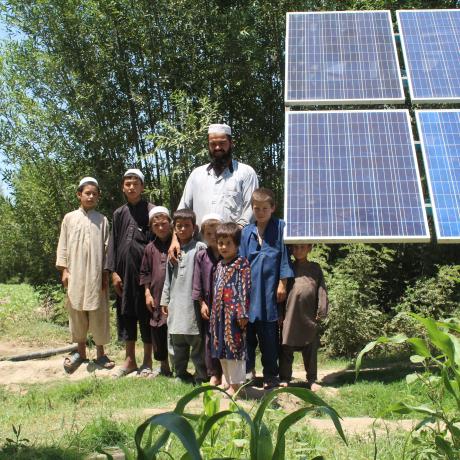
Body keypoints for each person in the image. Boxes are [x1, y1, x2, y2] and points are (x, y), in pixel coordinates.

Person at [56, 177, 114, 373]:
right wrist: (64, 269)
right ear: (79, 195)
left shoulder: (103, 220)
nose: (90, 196)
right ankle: (80, 353)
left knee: (99, 312)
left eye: (94, 194)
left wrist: (106, 272)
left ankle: (100, 354)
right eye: (87, 193)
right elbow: (63, 244)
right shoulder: (69, 218)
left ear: (98, 197)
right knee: (77, 312)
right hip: (75, 273)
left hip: (97, 275)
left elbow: (108, 248)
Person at [239, 187, 294, 389]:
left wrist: (283, 282)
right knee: (248, 336)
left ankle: (271, 375)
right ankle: (248, 372)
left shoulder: (280, 227)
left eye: (264, 208)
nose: (260, 212)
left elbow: (285, 258)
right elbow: (241, 263)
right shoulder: (247, 232)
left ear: (273, 208)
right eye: (256, 208)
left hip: (270, 293)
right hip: (250, 293)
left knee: (269, 337)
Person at [105, 169, 154, 378]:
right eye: (127, 183)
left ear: (142, 187)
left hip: (145, 275)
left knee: (147, 316)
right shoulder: (118, 213)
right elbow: (113, 244)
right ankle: (129, 360)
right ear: (123, 187)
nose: (131, 187)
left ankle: (148, 361)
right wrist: (113, 273)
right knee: (126, 316)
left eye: (135, 183)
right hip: (123, 275)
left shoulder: (152, 211)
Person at [160, 209, 207, 383]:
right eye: (178, 226)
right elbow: (168, 277)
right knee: (176, 339)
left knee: (196, 341)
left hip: (193, 303)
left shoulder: (200, 248)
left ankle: (201, 374)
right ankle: (180, 373)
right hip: (175, 302)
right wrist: (165, 300)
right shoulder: (173, 250)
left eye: (187, 226)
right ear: (174, 227)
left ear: (194, 227)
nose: (182, 229)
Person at [279, 244, 329, 391]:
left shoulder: (315, 268)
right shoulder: (287, 268)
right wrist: (279, 313)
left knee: (311, 347)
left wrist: (322, 309)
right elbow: (280, 292)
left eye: (302, 247)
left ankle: (312, 379)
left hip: (308, 316)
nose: (298, 250)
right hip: (290, 315)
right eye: (295, 247)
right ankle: (284, 378)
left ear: (309, 248)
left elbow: (321, 289)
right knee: (286, 347)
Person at [211, 222, 251, 396]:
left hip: (235, 315)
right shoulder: (219, 265)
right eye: (220, 243)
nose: (224, 247)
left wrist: (242, 312)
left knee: (235, 349)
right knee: (221, 348)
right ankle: (227, 382)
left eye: (228, 243)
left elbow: (245, 288)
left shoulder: (242, 264)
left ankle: (236, 386)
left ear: (237, 244)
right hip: (219, 315)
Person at [139, 206, 173, 378]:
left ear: (170, 223)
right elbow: (144, 272)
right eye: (156, 225)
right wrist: (147, 293)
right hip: (156, 295)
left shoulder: (177, 244)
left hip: (175, 297)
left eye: (164, 223)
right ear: (151, 227)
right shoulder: (150, 248)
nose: (161, 228)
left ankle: (181, 366)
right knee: (158, 328)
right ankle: (163, 365)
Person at [192, 213, 223, 385]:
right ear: (203, 235)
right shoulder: (201, 256)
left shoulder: (230, 253)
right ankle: (213, 373)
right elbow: (197, 281)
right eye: (208, 234)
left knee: (226, 337)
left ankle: (226, 372)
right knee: (210, 338)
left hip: (227, 305)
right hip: (208, 305)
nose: (212, 237)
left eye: (216, 233)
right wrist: (202, 303)